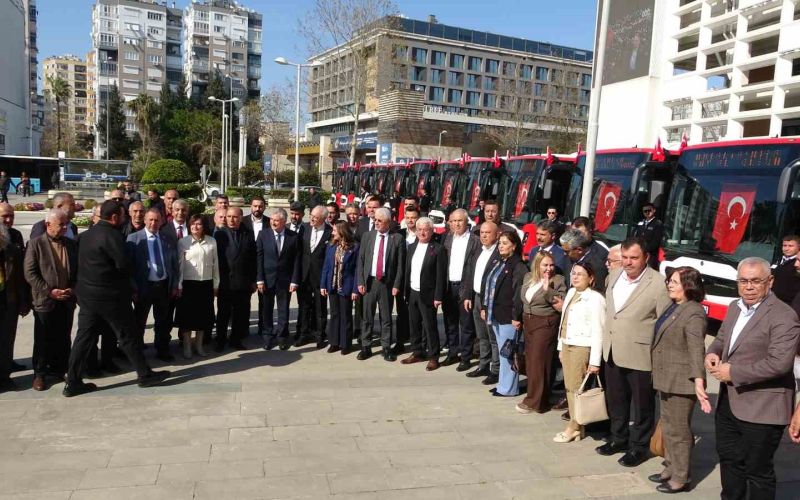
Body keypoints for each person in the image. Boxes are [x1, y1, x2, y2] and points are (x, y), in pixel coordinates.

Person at [706, 257, 800, 499]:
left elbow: (779, 364)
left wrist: (733, 372)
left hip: (763, 409)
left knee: (757, 472)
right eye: (743, 281)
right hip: (729, 403)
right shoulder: (735, 307)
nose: (748, 287)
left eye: (756, 281)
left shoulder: (784, 315)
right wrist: (712, 353)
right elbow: (721, 339)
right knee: (729, 461)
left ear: (770, 281)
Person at [64, 200, 170, 397]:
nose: (124, 219)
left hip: (88, 297)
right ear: (114, 217)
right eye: (122, 215)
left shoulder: (86, 235)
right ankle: (144, 374)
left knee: (83, 338)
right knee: (128, 335)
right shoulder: (113, 236)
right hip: (111, 297)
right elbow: (123, 266)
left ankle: (72, 381)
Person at [597, 237, 671, 467]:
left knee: (642, 404)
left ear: (646, 257)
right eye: (625, 257)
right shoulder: (614, 276)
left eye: (634, 258)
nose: (628, 262)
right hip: (612, 349)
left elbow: (664, 322)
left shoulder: (658, 284)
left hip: (640, 354)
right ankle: (618, 438)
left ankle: (639, 446)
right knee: (616, 399)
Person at [650, 266, 711, 493]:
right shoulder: (675, 305)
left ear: (688, 286)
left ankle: (681, 477)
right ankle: (671, 466)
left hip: (680, 381)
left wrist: (699, 381)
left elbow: (696, 349)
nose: (669, 284)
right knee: (668, 427)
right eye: (669, 281)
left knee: (679, 431)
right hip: (666, 377)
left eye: (674, 282)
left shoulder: (694, 312)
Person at [24, 209, 78, 391]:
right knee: (43, 338)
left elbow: (77, 270)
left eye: (66, 224)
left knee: (63, 336)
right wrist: (49, 291)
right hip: (45, 300)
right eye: (61, 225)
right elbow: (30, 273)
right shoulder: (35, 244)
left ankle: (61, 368)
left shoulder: (71, 244)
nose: (65, 228)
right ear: (48, 225)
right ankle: (39, 374)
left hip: (66, 299)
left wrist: (73, 288)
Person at [553, 262, 605, 443]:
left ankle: (574, 426)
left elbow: (599, 331)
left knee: (576, 389)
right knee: (569, 387)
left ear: (590, 278)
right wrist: (561, 347)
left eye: (580, 274)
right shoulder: (571, 293)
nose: (575, 277)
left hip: (581, 347)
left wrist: (595, 361)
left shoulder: (596, 299)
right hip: (567, 344)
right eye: (573, 273)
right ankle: (577, 425)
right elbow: (564, 321)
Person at [516, 251, 567, 413]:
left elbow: (561, 304)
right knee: (532, 362)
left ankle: (534, 401)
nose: (549, 268)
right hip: (528, 322)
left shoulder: (558, 280)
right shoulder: (528, 277)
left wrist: (547, 290)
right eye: (545, 265)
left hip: (545, 323)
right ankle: (541, 397)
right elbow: (523, 299)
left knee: (539, 362)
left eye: (551, 265)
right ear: (537, 265)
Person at [126, 209, 180, 361]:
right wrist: (133, 288)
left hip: (163, 286)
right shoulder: (134, 239)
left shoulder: (167, 238)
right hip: (143, 287)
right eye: (150, 220)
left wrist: (174, 285)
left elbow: (174, 264)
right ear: (144, 220)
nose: (153, 223)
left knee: (163, 321)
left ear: (162, 221)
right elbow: (128, 267)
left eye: (156, 220)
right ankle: (137, 354)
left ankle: (162, 349)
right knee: (139, 322)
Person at [481, 230, 527, 397]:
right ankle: (502, 384)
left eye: (505, 243)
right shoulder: (499, 261)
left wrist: (516, 317)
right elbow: (488, 285)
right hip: (496, 313)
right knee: (502, 352)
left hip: (509, 316)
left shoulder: (518, 266)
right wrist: (485, 307)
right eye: (500, 243)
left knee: (508, 353)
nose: (500, 246)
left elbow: (518, 294)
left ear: (514, 246)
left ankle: (509, 389)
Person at [356, 207, 405, 360]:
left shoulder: (397, 239)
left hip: (386, 284)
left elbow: (400, 265)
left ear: (388, 222)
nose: (376, 223)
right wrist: (360, 281)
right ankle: (366, 346)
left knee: (386, 318)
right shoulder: (367, 236)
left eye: (380, 220)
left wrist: (396, 285)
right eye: (375, 220)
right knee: (367, 317)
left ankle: (386, 347)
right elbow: (361, 260)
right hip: (369, 283)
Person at [401, 217, 447, 368]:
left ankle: (434, 356)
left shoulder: (438, 249)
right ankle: (417, 352)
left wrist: (438, 296)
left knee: (429, 326)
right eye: (419, 229)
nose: (422, 232)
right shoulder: (412, 247)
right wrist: (405, 290)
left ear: (432, 231)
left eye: (425, 230)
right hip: (412, 292)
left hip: (428, 294)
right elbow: (407, 270)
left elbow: (441, 275)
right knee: (414, 325)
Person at [257, 208, 301, 351]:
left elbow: (296, 260)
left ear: (284, 221)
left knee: (283, 310)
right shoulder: (263, 234)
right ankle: (267, 337)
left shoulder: (293, 236)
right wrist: (259, 279)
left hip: (285, 280)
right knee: (266, 310)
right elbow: (259, 258)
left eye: (276, 220)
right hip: (267, 280)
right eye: (271, 220)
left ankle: (282, 337)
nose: (273, 223)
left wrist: (294, 280)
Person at [176, 214, 219, 359]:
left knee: (203, 318)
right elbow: (180, 266)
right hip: (188, 284)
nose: (195, 226)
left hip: (206, 284)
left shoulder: (212, 241)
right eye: (193, 224)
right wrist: (179, 284)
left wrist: (216, 284)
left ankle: (199, 345)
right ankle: (187, 346)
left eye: (199, 224)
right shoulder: (183, 242)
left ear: (204, 226)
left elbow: (215, 265)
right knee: (187, 318)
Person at [462, 221, 500, 384]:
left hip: (490, 300)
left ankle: (495, 370)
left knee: (493, 337)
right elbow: (470, 273)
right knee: (481, 335)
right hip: (476, 297)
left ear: (497, 234)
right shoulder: (479, 250)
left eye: (487, 233)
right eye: (482, 232)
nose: (483, 235)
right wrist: (468, 295)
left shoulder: (499, 253)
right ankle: (483, 364)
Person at [442, 208, 480, 370]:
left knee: (466, 325)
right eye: (453, 221)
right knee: (450, 322)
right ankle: (452, 353)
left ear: (466, 222)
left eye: (460, 221)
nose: (456, 224)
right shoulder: (446, 238)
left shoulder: (475, 240)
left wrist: (469, 293)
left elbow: (475, 268)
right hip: (448, 286)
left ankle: (465, 357)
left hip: (465, 287)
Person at [214, 207, 257, 351]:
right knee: (223, 314)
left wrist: (253, 280)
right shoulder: (220, 234)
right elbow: (216, 260)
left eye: (235, 217)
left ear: (241, 218)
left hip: (243, 282)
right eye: (229, 216)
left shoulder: (248, 234)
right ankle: (220, 340)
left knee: (240, 314)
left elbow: (253, 258)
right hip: (225, 282)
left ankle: (236, 340)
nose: (231, 220)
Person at [320, 221, 359, 355]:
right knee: (335, 314)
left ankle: (346, 344)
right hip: (332, 286)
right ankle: (334, 342)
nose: (332, 233)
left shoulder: (354, 247)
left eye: (335, 231)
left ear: (342, 232)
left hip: (346, 286)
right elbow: (326, 266)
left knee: (345, 316)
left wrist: (355, 289)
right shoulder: (331, 246)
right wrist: (323, 284)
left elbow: (356, 270)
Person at [297, 205, 332, 348]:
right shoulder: (304, 228)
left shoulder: (330, 232)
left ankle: (320, 335)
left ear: (323, 218)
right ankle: (303, 334)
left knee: (320, 308)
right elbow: (299, 252)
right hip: (304, 275)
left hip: (320, 277)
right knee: (304, 306)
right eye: (311, 215)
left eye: (315, 217)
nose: (311, 218)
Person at [0, 223, 29, 393]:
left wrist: (23, 302)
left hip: (8, 302)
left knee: (6, 341)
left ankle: (4, 377)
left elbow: (20, 280)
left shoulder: (12, 252)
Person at [241, 196, 268, 337]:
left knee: (264, 300)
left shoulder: (269, 222)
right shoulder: (243, 222)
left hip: (264, 267)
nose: (258, 209)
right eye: (255, 206)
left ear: (264, 207)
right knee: (245, 300)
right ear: (251, 206)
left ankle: (263, 327)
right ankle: (244, 328)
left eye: (260, 206)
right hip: (247, 267)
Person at [560, 229, 608, 293]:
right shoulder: (567, 259)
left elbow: (598, 291)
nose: (564, 254)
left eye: (567, 251)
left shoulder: (597, 266)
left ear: (579, 250)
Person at [632, 203, 664, 270]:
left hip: (650, 255)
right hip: (639, 253)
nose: (647, 212)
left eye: (649, 210)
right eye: (645, 211)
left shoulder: (658, 224)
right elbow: (636, 237)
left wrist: (644, 250)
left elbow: (656, 242)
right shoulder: (641, 223)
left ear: (654, 210)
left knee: (648, 272)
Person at [771, 234, 800, 304]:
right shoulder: (778, 259)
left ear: (798, 247)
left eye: (790, 246)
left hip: (789, 303)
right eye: (784, 245)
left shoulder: (798, 263)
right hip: (772, 299)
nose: (786, 249)